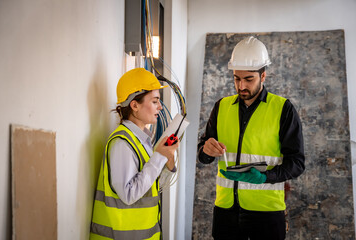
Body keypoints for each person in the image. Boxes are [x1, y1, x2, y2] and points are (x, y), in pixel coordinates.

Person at [198, 36, 305, 240]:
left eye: (249, 79)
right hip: (225, 212)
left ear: (263, 76)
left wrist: (266, 177)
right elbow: (203, 155)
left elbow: (297, 163)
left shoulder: (283, 109)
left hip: (266, 214)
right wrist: (205, 150)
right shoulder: (221, 107)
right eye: (237, 79)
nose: (241, 86)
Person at [90, 68, 179, 240]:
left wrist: (168, 161)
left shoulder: (142, 140)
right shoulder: (122, 143)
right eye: (155, 101)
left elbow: (151, 187)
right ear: (134, 105)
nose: (160, 107)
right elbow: (129, 195)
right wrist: (158, 156)